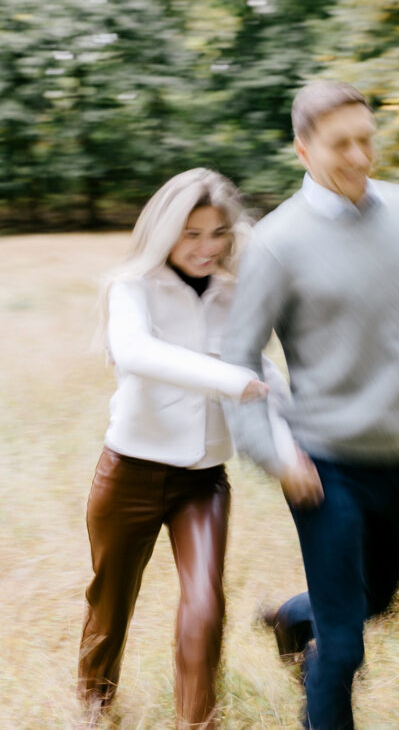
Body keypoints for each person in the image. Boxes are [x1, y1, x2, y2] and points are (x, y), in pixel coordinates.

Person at [221, 80, 399, 730]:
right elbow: (239, 360)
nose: (361, 156)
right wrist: (275, 452)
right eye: (341, 145)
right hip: (323, 460)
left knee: (380, 600)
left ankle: (294, 616)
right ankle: (319, 658)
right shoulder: (278, 243)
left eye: (367, 139)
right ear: (303, 150)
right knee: (344, 647)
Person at [77, 168, 295, 728]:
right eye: (191, 234)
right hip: (129, 472)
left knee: (205, 602)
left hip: (202, 481)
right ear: (165, 232)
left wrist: (292, 438)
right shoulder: (134, 287)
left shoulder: (234, 294)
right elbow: (135, 353)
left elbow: (260, 368)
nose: (206, 247)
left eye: (217, 233)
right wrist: (228, 379)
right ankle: (94, 705)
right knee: (111, 599)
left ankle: (198, 721)